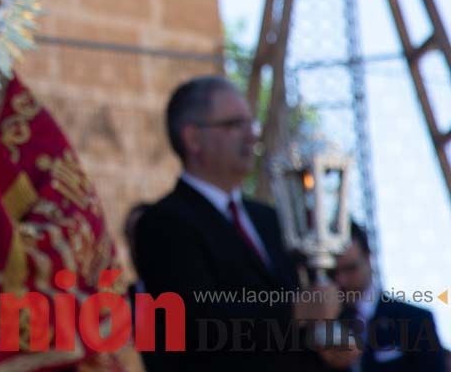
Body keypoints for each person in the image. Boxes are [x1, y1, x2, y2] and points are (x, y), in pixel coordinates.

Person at [133, 75, 356, 371]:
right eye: (234, 125)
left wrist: (333, 338)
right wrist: (295, 311)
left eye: (251, 125)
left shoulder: (269, 219)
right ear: (193, 138)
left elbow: (309, 296)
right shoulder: (165, 224)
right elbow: (200, 321)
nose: (251, 136)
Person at [331, 223, 443, 371]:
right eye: (332, 272)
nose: (341, 280)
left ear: (369, 259)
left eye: (350, 269)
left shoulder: (416, 322)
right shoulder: (319, 326)